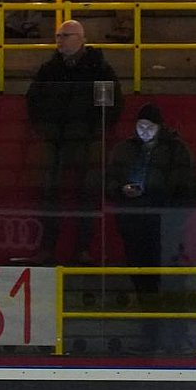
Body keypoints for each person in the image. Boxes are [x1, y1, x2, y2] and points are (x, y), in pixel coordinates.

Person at [26, 21, 121, 264]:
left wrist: (93, 132)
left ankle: (82, 249)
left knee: (87, 196)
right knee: (49, 195)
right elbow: (33, 102)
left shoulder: (99, 69)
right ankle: (48, 248)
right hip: (56, 140)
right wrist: (47, 129)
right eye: (57, 36)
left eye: (65, 36)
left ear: (81, 38)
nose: (59, 40)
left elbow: (109, 107)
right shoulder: (49, 69)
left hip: (86, 141)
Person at [106, 102, 196, 310]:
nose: (144, 132)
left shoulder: (177, 150)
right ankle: (150, 327)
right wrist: (122, 190)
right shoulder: (123, 150)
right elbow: (109, 182)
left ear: (159, 127)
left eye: (149, 127)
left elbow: (188, 189)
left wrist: (174, 217)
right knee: (142, 280)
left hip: (165, 226)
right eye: (141, 127)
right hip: (135, 226)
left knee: (170, 279)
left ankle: (174, 330)